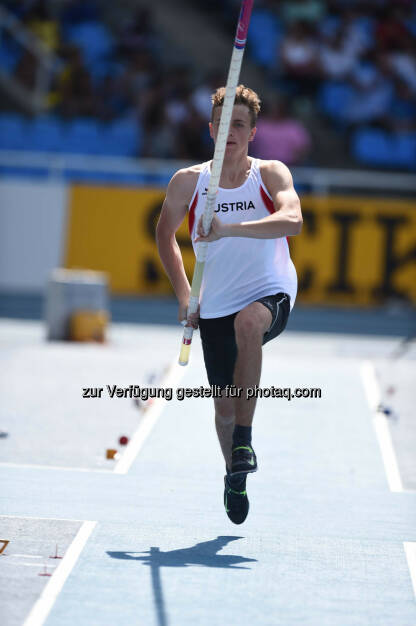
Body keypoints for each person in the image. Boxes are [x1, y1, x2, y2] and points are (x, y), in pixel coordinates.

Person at [156, 85, 302, 525]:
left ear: (253, 132)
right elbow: (164, 236)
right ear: (211, 129)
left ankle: (245, 438)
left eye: (239, 124)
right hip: (215, 302)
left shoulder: (270, 174)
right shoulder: (188, 182)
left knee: (249, 323)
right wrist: (185, 295)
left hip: (270, 289)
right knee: (222, 406)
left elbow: (292, 220)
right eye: (222, 124)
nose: (230, 132)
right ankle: (233, 475)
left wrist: (229, 229)